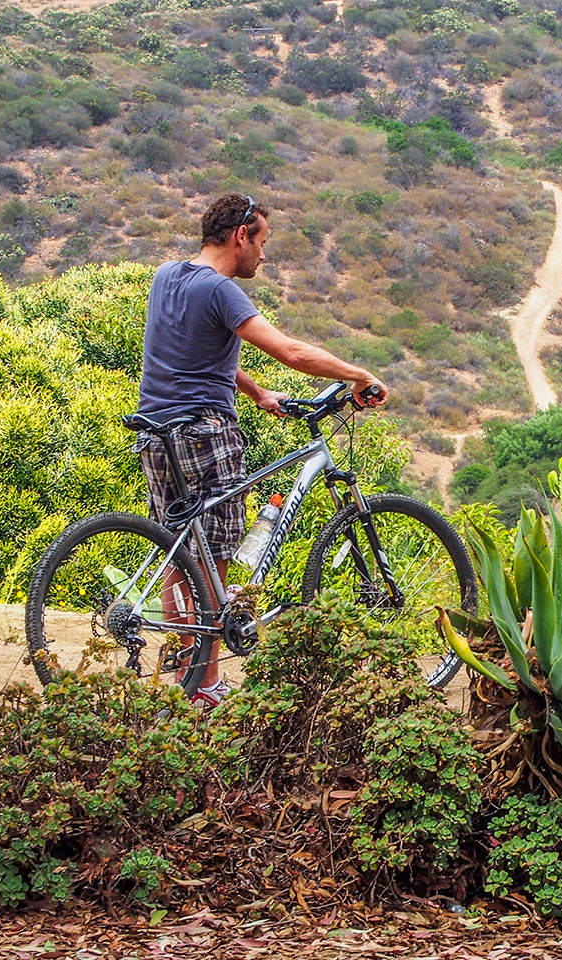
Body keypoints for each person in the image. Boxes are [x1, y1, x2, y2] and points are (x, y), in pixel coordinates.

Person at [136, 193, 386, 706]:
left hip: (156, 431)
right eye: (263, 243)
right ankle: (206, 687)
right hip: (205, 432)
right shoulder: (221, 291)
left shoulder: (168, 275)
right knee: (216, 558)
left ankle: (190, 678)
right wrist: (360, 375)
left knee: (180, 553)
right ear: (240, 236)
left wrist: (255, 393)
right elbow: (292, 352)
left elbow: (194, 354)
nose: (264, 257)